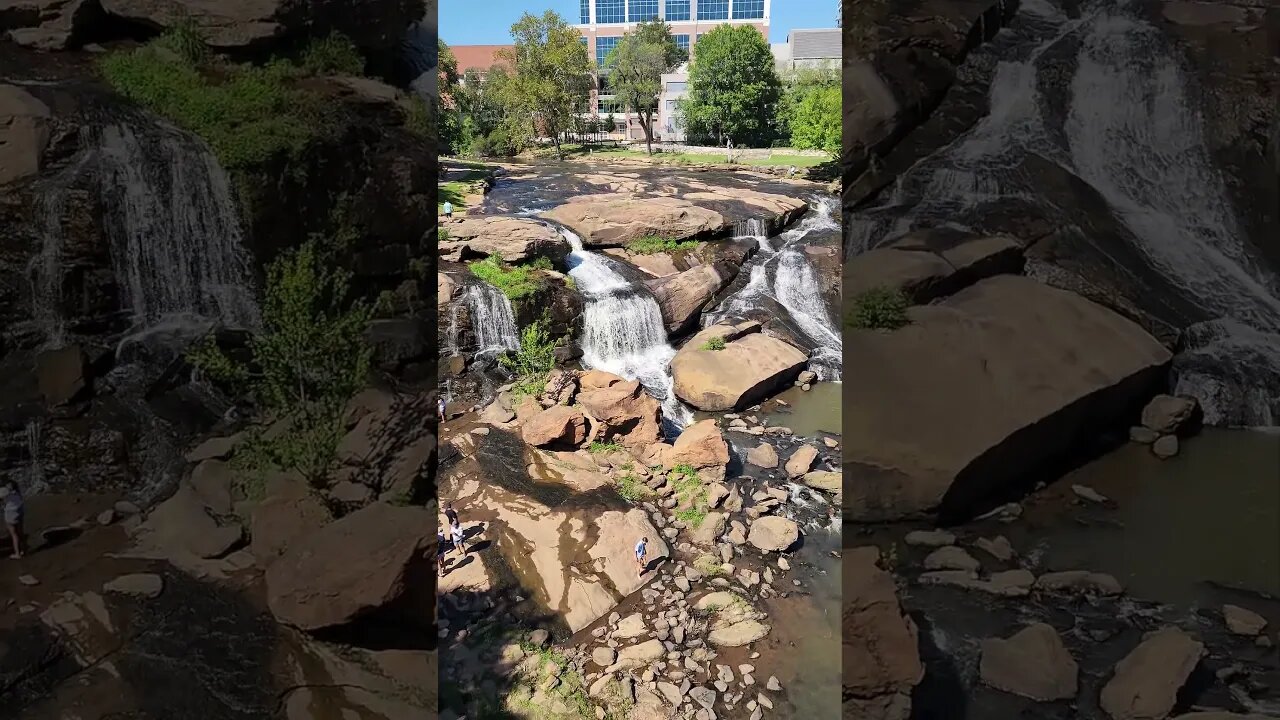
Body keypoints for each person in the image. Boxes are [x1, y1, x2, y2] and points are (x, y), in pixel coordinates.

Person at [2, 480, 24, 560]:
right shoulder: (18, 492)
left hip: (10, 514)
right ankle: (23, 549)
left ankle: (17, 554)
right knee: (20, 532)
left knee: (14, 534)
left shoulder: (4, 492)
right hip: (19, 511)